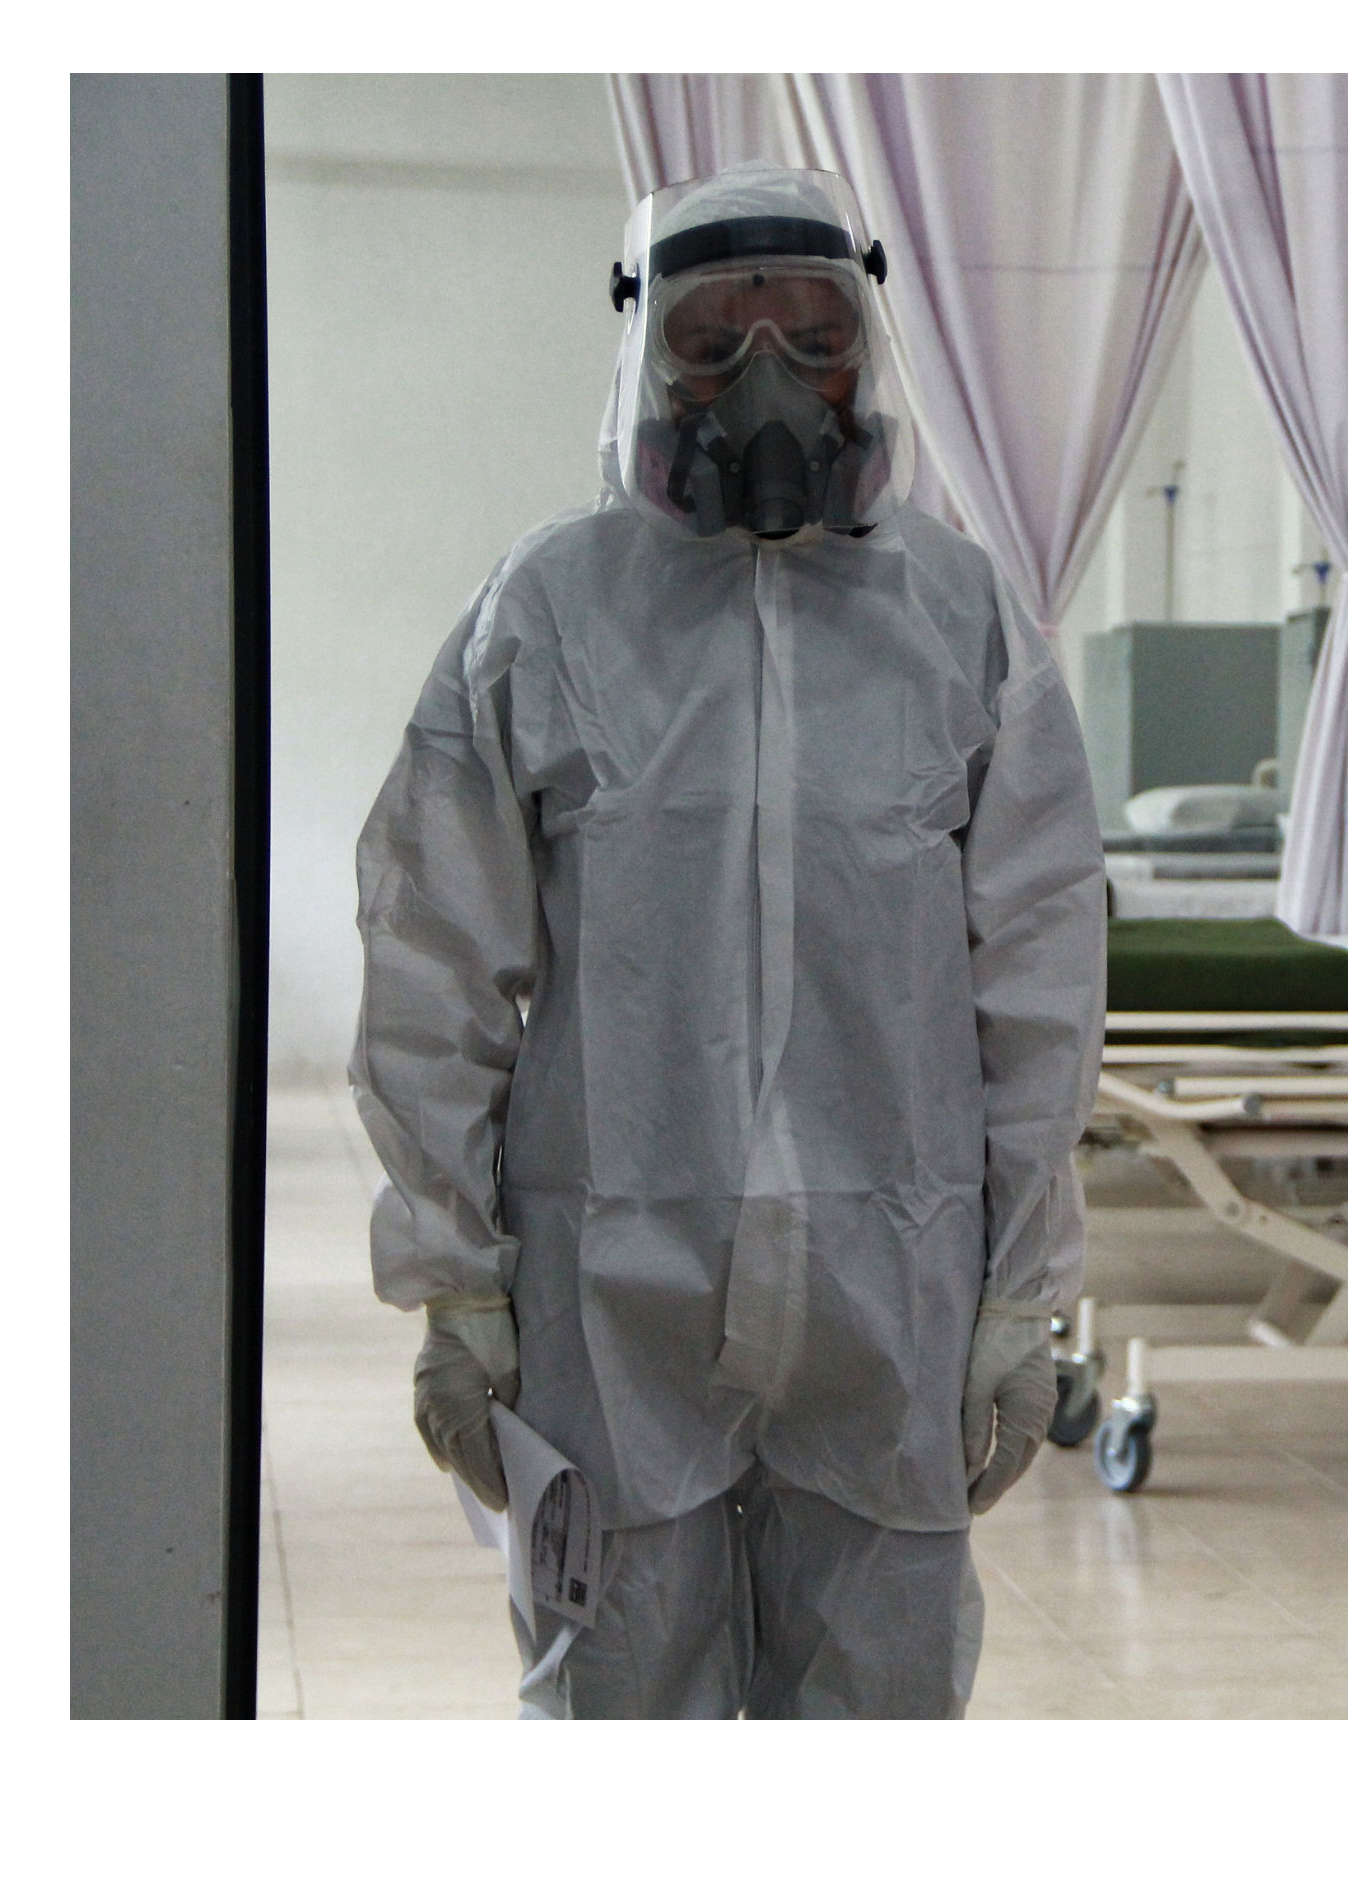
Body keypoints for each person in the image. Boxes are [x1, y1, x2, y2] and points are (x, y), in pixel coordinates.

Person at [351, 162, 1105, 1719]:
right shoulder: (548, 611)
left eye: (812, 339)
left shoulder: (959, 619)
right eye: (714, 346)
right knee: (621, 1712)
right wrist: (457, 1280)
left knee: (880, 1722)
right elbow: (435, 960)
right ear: (645, 352)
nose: (769, 384)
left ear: (865, 350)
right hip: (611, 1299)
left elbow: (1040, 979)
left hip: (890, 1292)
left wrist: (1021, 1291)